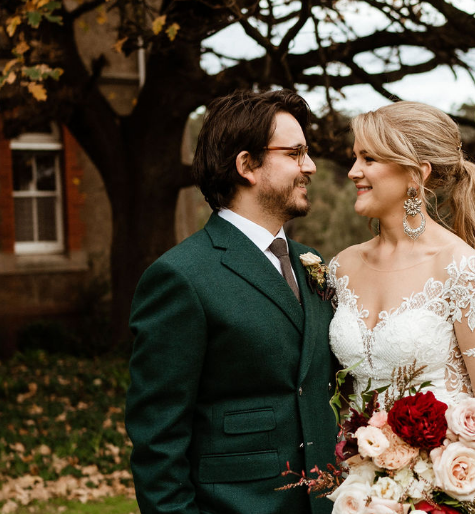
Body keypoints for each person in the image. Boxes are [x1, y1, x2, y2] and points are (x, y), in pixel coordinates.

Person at [327, 101, 475, 513]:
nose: (353, 171)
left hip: (439, 491)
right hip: (358, 488)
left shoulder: (461, 269)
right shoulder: (340, 268)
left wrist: (424, 480)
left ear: (416, 173)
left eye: (368, 158)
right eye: (354, 157)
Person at [126, 90, 337, 514]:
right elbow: (158, 440)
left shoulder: (308, 263)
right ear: (247, 166)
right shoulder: (181, 277)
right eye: (295, 153)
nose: (309, 166)